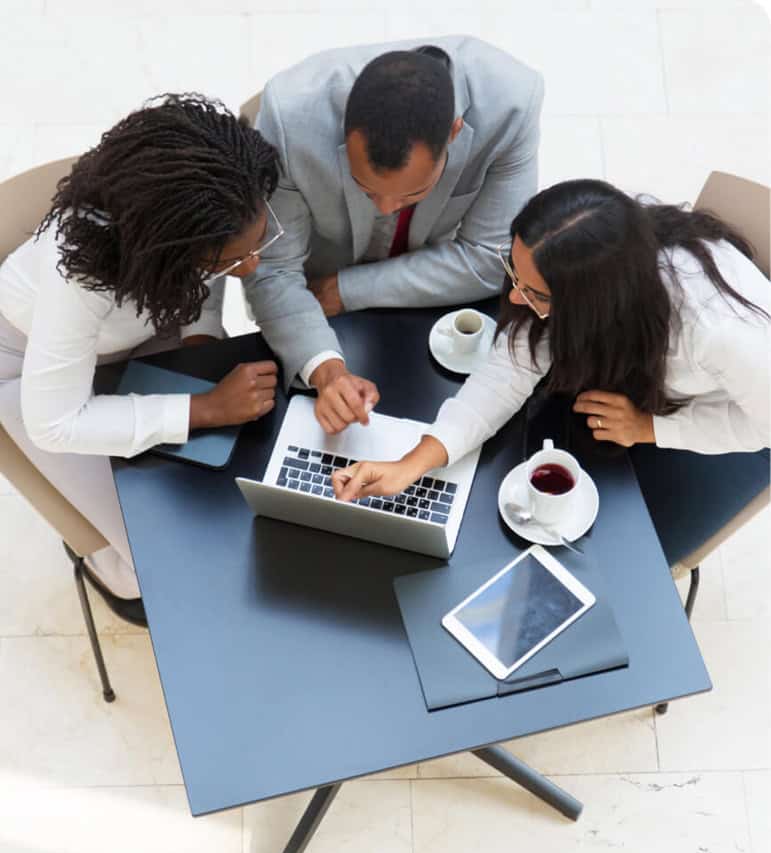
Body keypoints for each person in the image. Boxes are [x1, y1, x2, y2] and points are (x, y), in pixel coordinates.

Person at [0, 94, 281, 621]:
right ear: (168, 249)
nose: (251, 269)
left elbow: (202, 274)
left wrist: (200, 338)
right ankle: (113, 574)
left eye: (255, 244)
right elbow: (55, 423)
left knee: (214, 488)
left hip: (137, 327)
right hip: (27, 369)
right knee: (155, 559)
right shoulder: (76, 277)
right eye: (234, 260)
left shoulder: (198, 209)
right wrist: (205, 408)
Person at [332, 179, 770, 514]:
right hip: (629, 373)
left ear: (591, 304)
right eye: (514, 272)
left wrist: (651, 428)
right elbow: (509, 370)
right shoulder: (577, 245)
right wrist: (412, 464)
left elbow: (763, 429)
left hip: (713, 419)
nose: (516, 297)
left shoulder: (718, 334)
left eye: (535, 293)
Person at [234, 36, 543, 436]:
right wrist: (327, 371)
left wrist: (347, 289)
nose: (384, 207)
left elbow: (493, 258)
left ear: (453, 132)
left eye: (412, 193)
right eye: (366, 188)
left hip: (428, 299)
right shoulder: (289, 114)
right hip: (315, 294)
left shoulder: (512, 103)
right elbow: (273, 268)